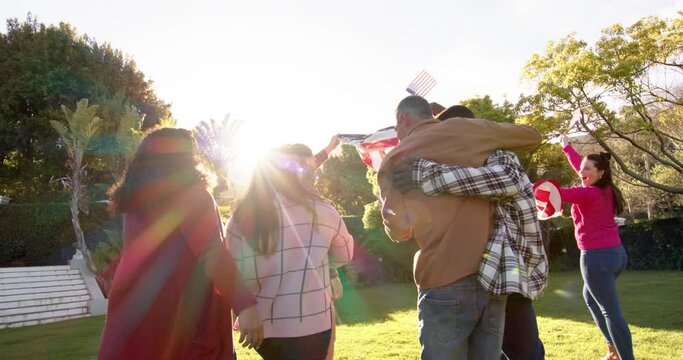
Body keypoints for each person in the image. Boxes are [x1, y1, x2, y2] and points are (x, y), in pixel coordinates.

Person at [379, 95, 542, 359]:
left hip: (442, 278)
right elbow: (532, 135)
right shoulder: (469, 132)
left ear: (403, 119)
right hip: (493, 276)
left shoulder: (396, 159)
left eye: (396, 127)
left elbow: (399, 230)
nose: (397, 134)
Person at [99, 128, 262, 360]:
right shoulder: (192, 196)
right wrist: (245, 305)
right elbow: (211, 253)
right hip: (184, 321)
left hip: (135, 319)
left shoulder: (134, 206)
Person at [226, 144, 354, 360]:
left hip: (263, 326)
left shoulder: (239, 219)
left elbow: (230, 272)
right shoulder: (324, 212)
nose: (314, 176)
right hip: (313, 323)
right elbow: (345, 256)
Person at [558, 135, 633, 360]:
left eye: (587, 169)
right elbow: (581, 167)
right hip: (616, 255)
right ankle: (613, 350)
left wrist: (524, 184)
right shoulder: (607, 189)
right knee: (590, 298)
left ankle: (624, 357)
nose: (582, 171)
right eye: (581, 168)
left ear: (600, 173)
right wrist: (566, 147)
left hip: (596, 259)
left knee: (611, 311)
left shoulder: (588, 193)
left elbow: (559, 194)